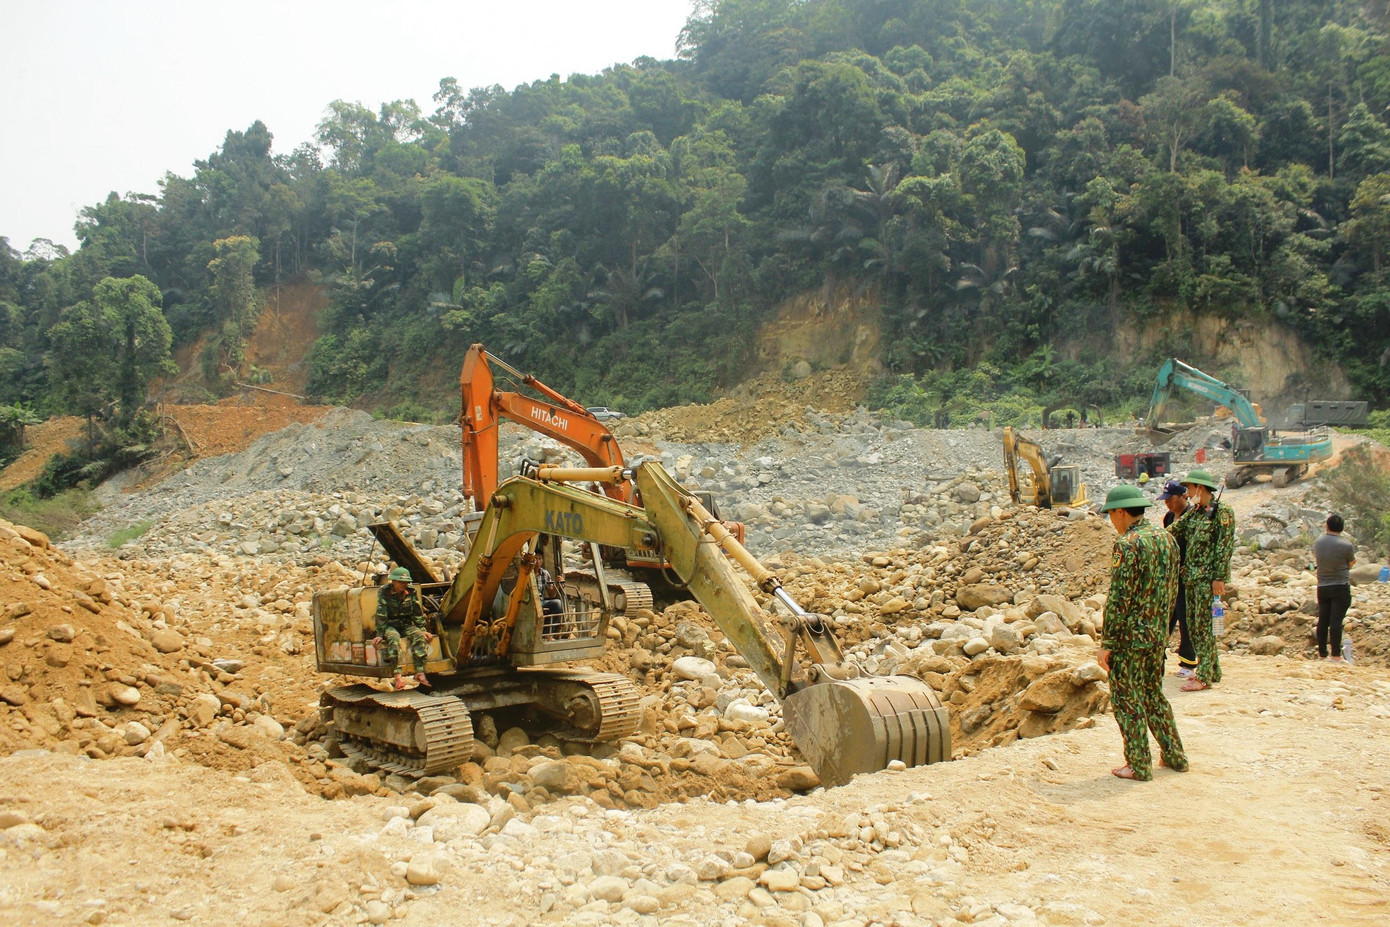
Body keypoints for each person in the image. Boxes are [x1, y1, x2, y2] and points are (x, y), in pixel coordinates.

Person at [1097, 485, 1188, 781]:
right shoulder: (1166, 538)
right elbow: (1173, 588)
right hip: (1157, 634)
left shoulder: (1128, 544)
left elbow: (1119, 598)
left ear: (1121, 512)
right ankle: (1174, 755)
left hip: (1130, 638)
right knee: (1153, 695)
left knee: (1127, 699)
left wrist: (1107, 642)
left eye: (1112, 514)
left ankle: (1137, 764)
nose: (1112, 520)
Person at [1168, 469, 1235, 692]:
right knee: (1195, 626)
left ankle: (1204, 676)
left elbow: (1224, 547)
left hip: (1207, 581)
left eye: (1189, 488)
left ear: (1200, 487)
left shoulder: (1222, 513)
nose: (1187, 492)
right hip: (1191, 579)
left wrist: (1219, 577)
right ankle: (1212, 669)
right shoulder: (1195, 513)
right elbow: (1174, 530)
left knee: (1203, 626)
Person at [1157, 480, 1198, 677]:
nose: (1168, 503)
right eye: (1165, 500)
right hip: (1170, 577)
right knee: (1165, 617)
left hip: (1187, 578)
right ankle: (1158, 657)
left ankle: (1188, 662)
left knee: (1186, 617)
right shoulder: (1168, 517)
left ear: (1183, 496)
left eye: (1171, 499)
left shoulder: (1192, 516)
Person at [371, 566, 433, 690]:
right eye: (400, 582)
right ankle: (398, 676)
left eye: (405, 582)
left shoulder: (411, 591)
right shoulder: (384, 591)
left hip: (406, 624)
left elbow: (417, 612)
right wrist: (379, 634)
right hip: (391, 625)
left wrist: (422, 629)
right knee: (394, 639)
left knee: (419, 636)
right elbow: (381, 613)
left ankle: (419, 672)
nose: (403, 585)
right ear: (393, 581)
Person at [1312, 514, 1356, 662]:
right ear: (1342, 528)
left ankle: (1322, 654)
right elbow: (1351, 563)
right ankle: (1335, 655)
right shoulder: (1346, 546)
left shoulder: (1318, 543)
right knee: (1336, 621)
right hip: (1340, 586)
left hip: (1322, 586)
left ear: (1327, 526)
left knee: (1323, 620)